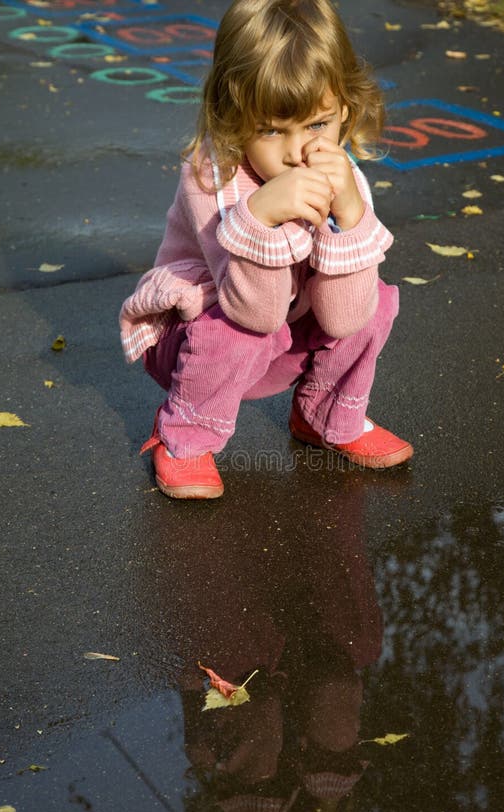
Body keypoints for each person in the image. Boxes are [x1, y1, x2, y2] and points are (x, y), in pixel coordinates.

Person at [119, 0, 413, 499]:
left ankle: (325, 414)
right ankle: (184, 436)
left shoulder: (343, 177)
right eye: (273, 129)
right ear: (232, 118)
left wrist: (350, 215)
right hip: (199, 337)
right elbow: (253, 313)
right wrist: (261, 217)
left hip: (281, 332)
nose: (299, 150)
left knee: (376, 300)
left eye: (318, 124)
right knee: (237, 332)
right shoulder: (211, 178)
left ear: (344, 108)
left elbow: (344, 320)